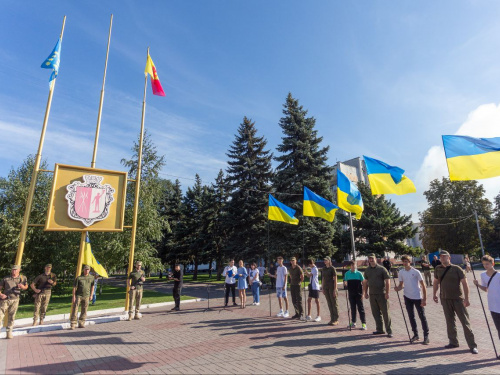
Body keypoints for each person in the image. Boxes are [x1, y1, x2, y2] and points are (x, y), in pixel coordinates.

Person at [433, 250, 478, 354]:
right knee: (449, 321)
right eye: (441, 257)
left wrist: (467, 298)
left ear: (449, 258)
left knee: (465, 322)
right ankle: (453, 342)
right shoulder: (438, 268)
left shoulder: (456, 269)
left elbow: (465, 284)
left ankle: (472, 346)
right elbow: (436, 282)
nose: (442, 258)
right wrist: (435, 294)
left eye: (444, 257)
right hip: (445, 299)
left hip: (458, 299)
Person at [395, 255, 429, 344]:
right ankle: (415, 334)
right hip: (407, 296)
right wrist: (397, 288)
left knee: (422, 316)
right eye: (403, 261)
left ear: (409, 262)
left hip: (417, 297)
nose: (405, 263)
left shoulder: (416, 272)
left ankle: (426, 336)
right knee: (411, 316)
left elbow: (423, 285)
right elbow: (401, 285)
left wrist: (424, 299)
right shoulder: (401, 272)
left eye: (406, 261)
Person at [363, 253, 392, 337]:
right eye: (369, 258)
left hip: (381, 294)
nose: (371, 260)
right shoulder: (367, 270)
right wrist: (365, 292)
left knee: (385, 313)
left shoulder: (382, 269)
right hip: (372, 294)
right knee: (375, 313)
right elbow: (365, 282)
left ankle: (389, 331)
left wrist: (387, 292)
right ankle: (379, 329)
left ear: (375, 258)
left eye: (372, 258)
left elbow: (387, 281)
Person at [473, 255, 500, 343]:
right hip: (492, 305)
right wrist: (478, 285)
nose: (485, 266)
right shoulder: (483, 275)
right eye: (484, 264)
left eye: (487, 264)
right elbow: (486, 289)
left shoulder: (499, 275)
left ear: (493, 263)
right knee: (499, 328)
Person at [0, 265, 28, 339]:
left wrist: (23, 287)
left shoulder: (23, 278)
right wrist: (1, 294)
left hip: (15, 299)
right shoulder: (6, 278)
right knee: (0, 315)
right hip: (5, 300)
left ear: (19, 270)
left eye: (15, 270)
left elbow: (26, 286)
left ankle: (9, 333)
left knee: (11, 316)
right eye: (12, 270)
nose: (14, 271)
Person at [70, 264, 95, 329]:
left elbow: (92, 286)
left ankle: (81, 323)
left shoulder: (92, 277)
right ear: (83, 270)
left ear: (89, 270)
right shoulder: (79, 278)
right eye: (86, 269)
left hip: (86, 296)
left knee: (84, 310)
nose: (87, 271)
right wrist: (74, 296)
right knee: (75, 310)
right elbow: (74, 287)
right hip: (78, 296)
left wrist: (91, 295)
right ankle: (73, 323)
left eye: (88, 269)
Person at [344, 261, 366, 330]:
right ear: (350, 266)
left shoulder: (359, 273)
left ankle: (364, 323)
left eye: (355, 266)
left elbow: (364, 283)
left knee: (361, 309)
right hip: (351, 294)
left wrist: (363, 293)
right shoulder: (347, 273)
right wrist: (345, 283)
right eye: (352, 266)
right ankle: (353, 322)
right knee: (353, 308)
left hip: (358, 294)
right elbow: (345, 282)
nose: (353, 267)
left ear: (356, 266)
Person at [322, 256, 339, 326]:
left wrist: (335, 289)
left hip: (332, 288)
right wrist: (322, 287)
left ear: (329, 261)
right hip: (326, 288)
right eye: (324, 260)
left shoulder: (332, 268)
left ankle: (336, 319)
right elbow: (323, 278)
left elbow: (335, 279)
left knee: (334, 303)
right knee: (329, 303)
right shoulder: (324, 268)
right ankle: (332, 319)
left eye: (326, 260)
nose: (325, 261)